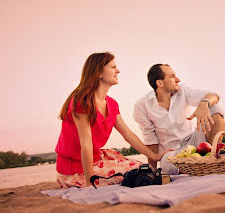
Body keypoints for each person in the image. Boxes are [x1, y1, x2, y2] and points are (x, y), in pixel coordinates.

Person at [55, 52, 170, 188]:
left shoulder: (112, 104)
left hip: (97, 159)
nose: (118, 71)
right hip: (74, 170)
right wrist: (89, 181)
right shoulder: (82, 101)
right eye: (113, 67)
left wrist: (154, 156)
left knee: (143, 169)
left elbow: (128, 135)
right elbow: (85, 143)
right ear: (99, 72)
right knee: (135, 174)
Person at [133, 64, 225, 174]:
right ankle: (199, 166)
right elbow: (150, 141)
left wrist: (204, 103)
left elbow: (214, 96)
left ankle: (212, 159)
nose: (178, 79)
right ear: (160, 83)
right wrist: (152, 171)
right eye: (172, 76)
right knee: (167, 162)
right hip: (172, 152)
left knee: (215, 108)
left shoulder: (183, 90)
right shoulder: (142, 105)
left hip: (194, 140)